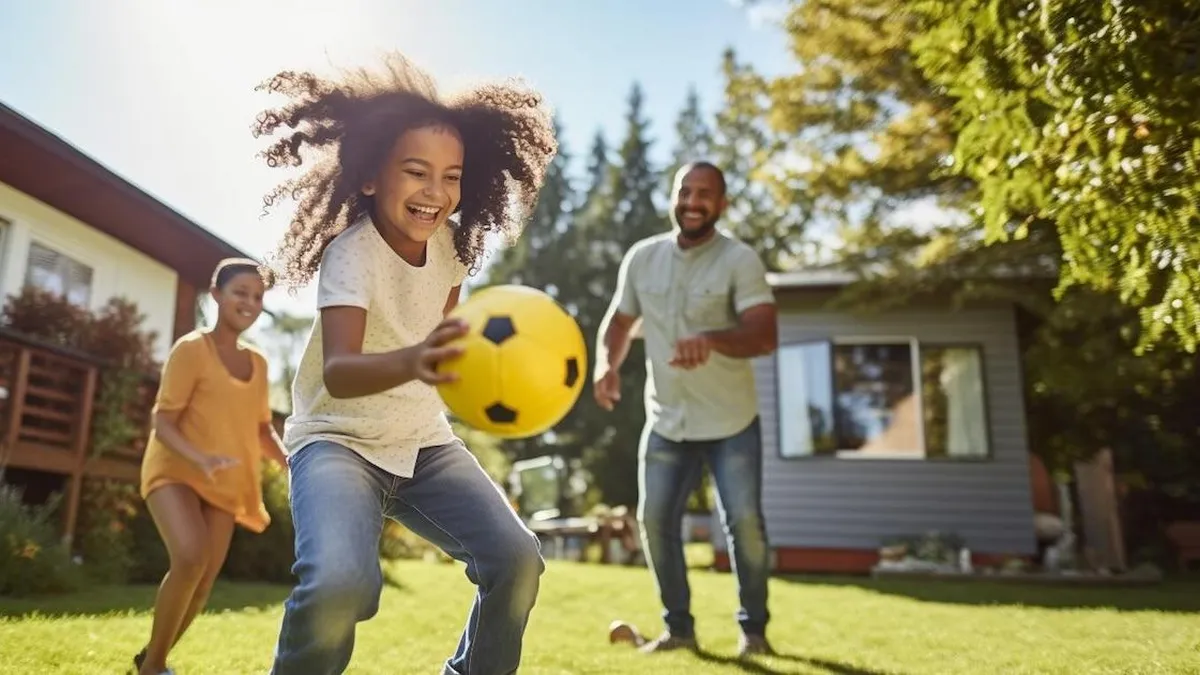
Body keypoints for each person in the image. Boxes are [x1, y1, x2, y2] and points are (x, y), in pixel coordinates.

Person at [252, 52, 558, 675]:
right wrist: (420, 358)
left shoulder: (450, 252)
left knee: (517, 560)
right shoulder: (351, 256)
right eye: (416, 172)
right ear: (369, 177)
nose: (435, 193)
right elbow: (341, 370)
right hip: (337, 443)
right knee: (341, 586)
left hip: (423, 444)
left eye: (452, 177)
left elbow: (448, 349)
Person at [594, 161, 779, 657]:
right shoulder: (643, 258)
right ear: (673, 197)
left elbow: (764, 334)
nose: (692, 202)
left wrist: (712, 340)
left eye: (705, 194)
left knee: (744, 525)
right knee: (654, 522)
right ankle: (678, 630)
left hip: (730, 421)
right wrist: (606, 366)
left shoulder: (740, 261)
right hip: (667, 419)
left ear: (722, 204)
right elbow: (618, 322)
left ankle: (754, 630)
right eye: (684, 191)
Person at [135, 259, 288, 675]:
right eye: (240, 292)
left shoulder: (258, 364)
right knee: (189, 556)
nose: (250, 303)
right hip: (174, 472)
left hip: (225, 482)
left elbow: (261, 429)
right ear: (216, 295)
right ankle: (154, 668)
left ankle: (152, 656)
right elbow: (162, 422)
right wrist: (199, 458)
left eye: (258, 297)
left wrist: (293, 464)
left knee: (202, 584)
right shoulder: (191, 350)